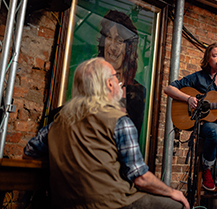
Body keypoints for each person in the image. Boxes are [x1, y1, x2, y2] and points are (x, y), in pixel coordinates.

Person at [23, 57, 189, 209]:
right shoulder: (119, 121)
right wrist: (172, 192)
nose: (119, 81)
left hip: (64, 204)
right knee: (176, 205)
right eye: (116, 76)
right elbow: (140, 177)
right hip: (111, 204)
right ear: (109, 84)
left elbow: (29, 153)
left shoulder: (57, 122)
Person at [164, 43, 217, 191]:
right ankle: (207, 169)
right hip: (207, 122)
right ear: (208, 59)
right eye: (215, 55)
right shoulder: (199, 77)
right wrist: (188, 98)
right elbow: (169, 88)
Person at [98, 10, 146, 135]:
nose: (113, 47)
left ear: (129, 48)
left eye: (119, 41)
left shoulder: (138, 92)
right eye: (109, 37)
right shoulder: (90, 79)